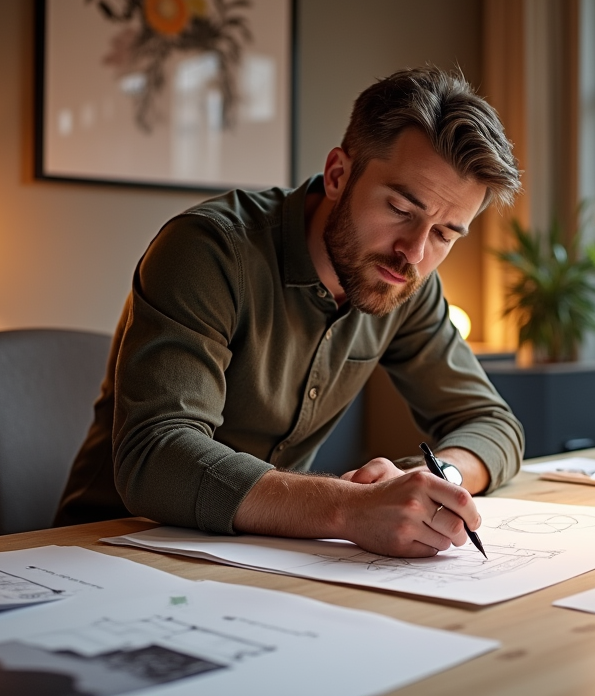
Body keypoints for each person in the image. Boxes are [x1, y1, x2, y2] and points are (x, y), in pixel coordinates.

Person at [55, 65, 525, 558]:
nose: (414, 251)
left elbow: (494, 424)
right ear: (339, 174)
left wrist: (437, 479)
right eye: (401, 210)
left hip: (261, 560)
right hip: (109, 551)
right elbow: (157, 457)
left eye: (445, 233)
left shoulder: (406, 284)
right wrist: (351, 507)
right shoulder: (209, 251)